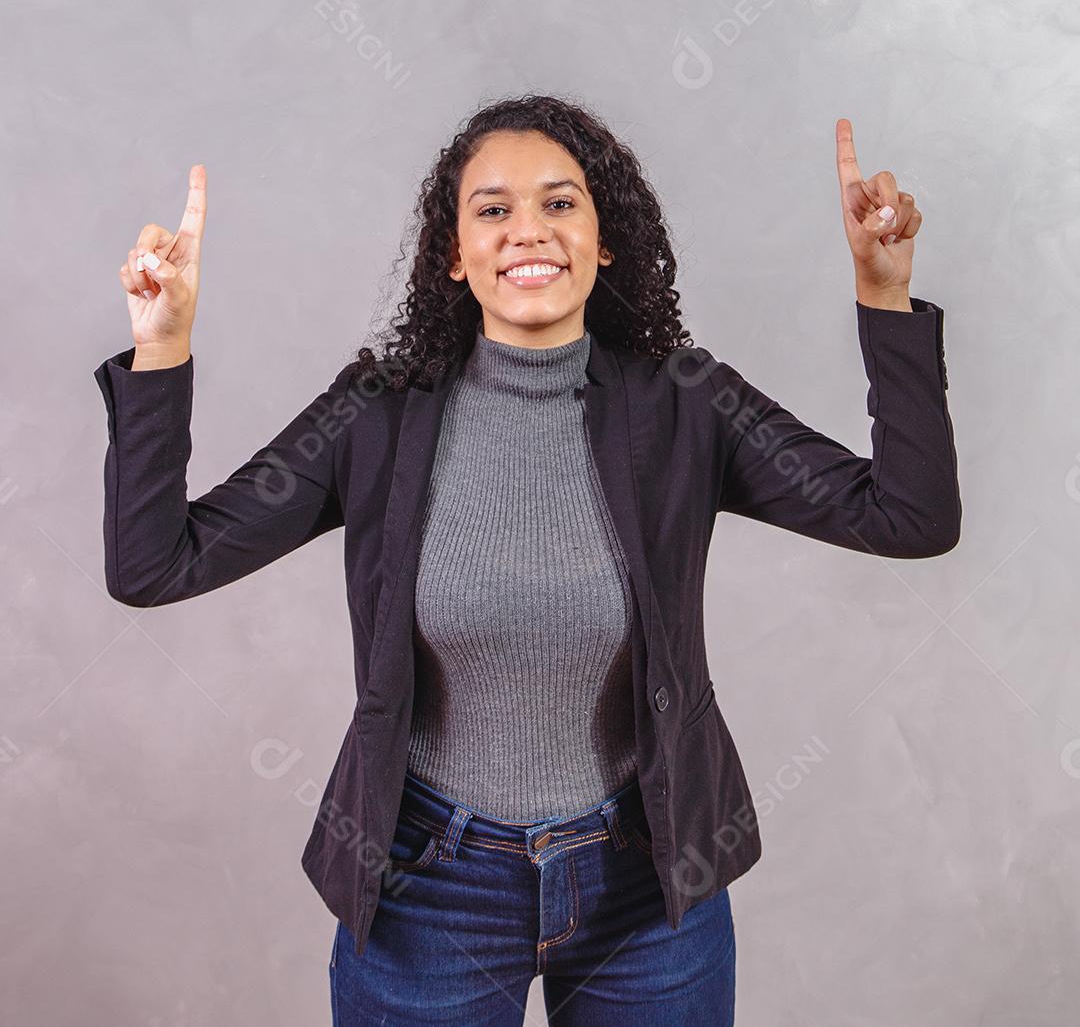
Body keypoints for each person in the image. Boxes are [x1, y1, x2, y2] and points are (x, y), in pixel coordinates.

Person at [95, 95, 960, 1025]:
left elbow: (908, 516)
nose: (527, 233)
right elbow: (156, 564)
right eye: (492, 210)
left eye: (560, 203)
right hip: (429, 885)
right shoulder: (376, 414)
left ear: (606, 239)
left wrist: (884, 300)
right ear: (455, 255)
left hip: (650, 877)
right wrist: (164, 346)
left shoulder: (685, 406)